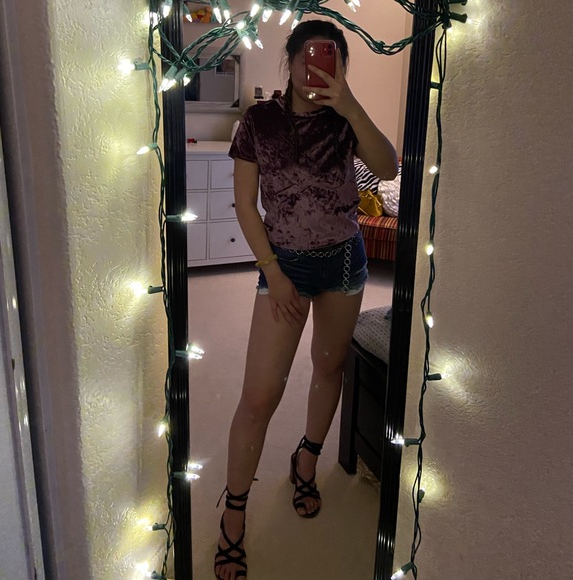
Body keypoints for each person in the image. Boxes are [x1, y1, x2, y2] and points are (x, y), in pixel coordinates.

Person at [214, 19, 398, 580]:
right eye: (309, 58)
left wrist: (351, 105)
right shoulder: (259, 121)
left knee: (329, 365)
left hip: (344, 261)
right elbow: (245, 204)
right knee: (259, 395)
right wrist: (273, 272)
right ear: (290, 61)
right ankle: (234, 510)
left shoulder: (346, 119)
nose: (318, 68)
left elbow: (388, 167)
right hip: (284, 265)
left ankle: (307, 460)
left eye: (331, 59)